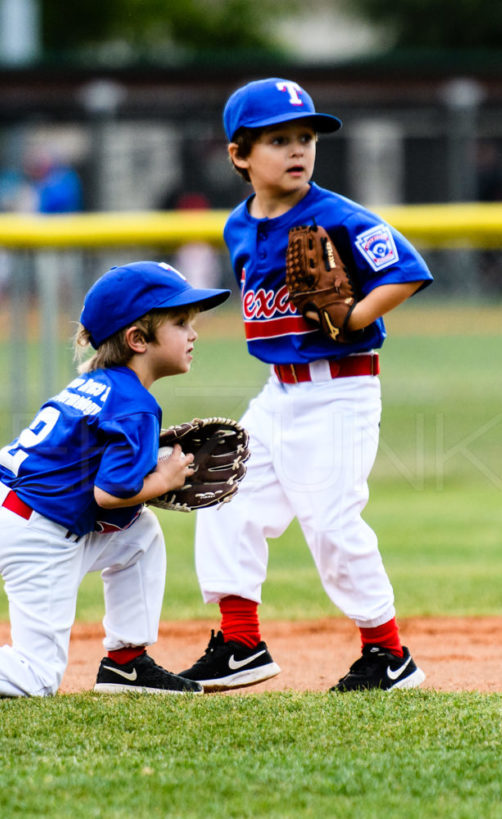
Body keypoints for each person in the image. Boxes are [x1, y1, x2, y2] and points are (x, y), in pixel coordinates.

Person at [0, 261, 230, 704]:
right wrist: (164, 477)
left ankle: (128, 663)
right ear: (137, 339)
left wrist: (146, 475)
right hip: (36, 531)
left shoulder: (95, 383)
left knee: (140, 536)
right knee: (37, 677)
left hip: (12, 507)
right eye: (179, 322)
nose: (193, 333)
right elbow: (109, 492)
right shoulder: (135, 405)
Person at [176, 78, 433, 693]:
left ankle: (388, 654)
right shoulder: (237, 227)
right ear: (239, 154)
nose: (297, 150)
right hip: (278, 392)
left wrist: (353, 316)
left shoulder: (337, 215)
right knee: (224, 495)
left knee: (331, 521)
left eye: (306, 138)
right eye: (278, 140)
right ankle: (240, 642)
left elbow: (408, 270)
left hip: (340, 390)